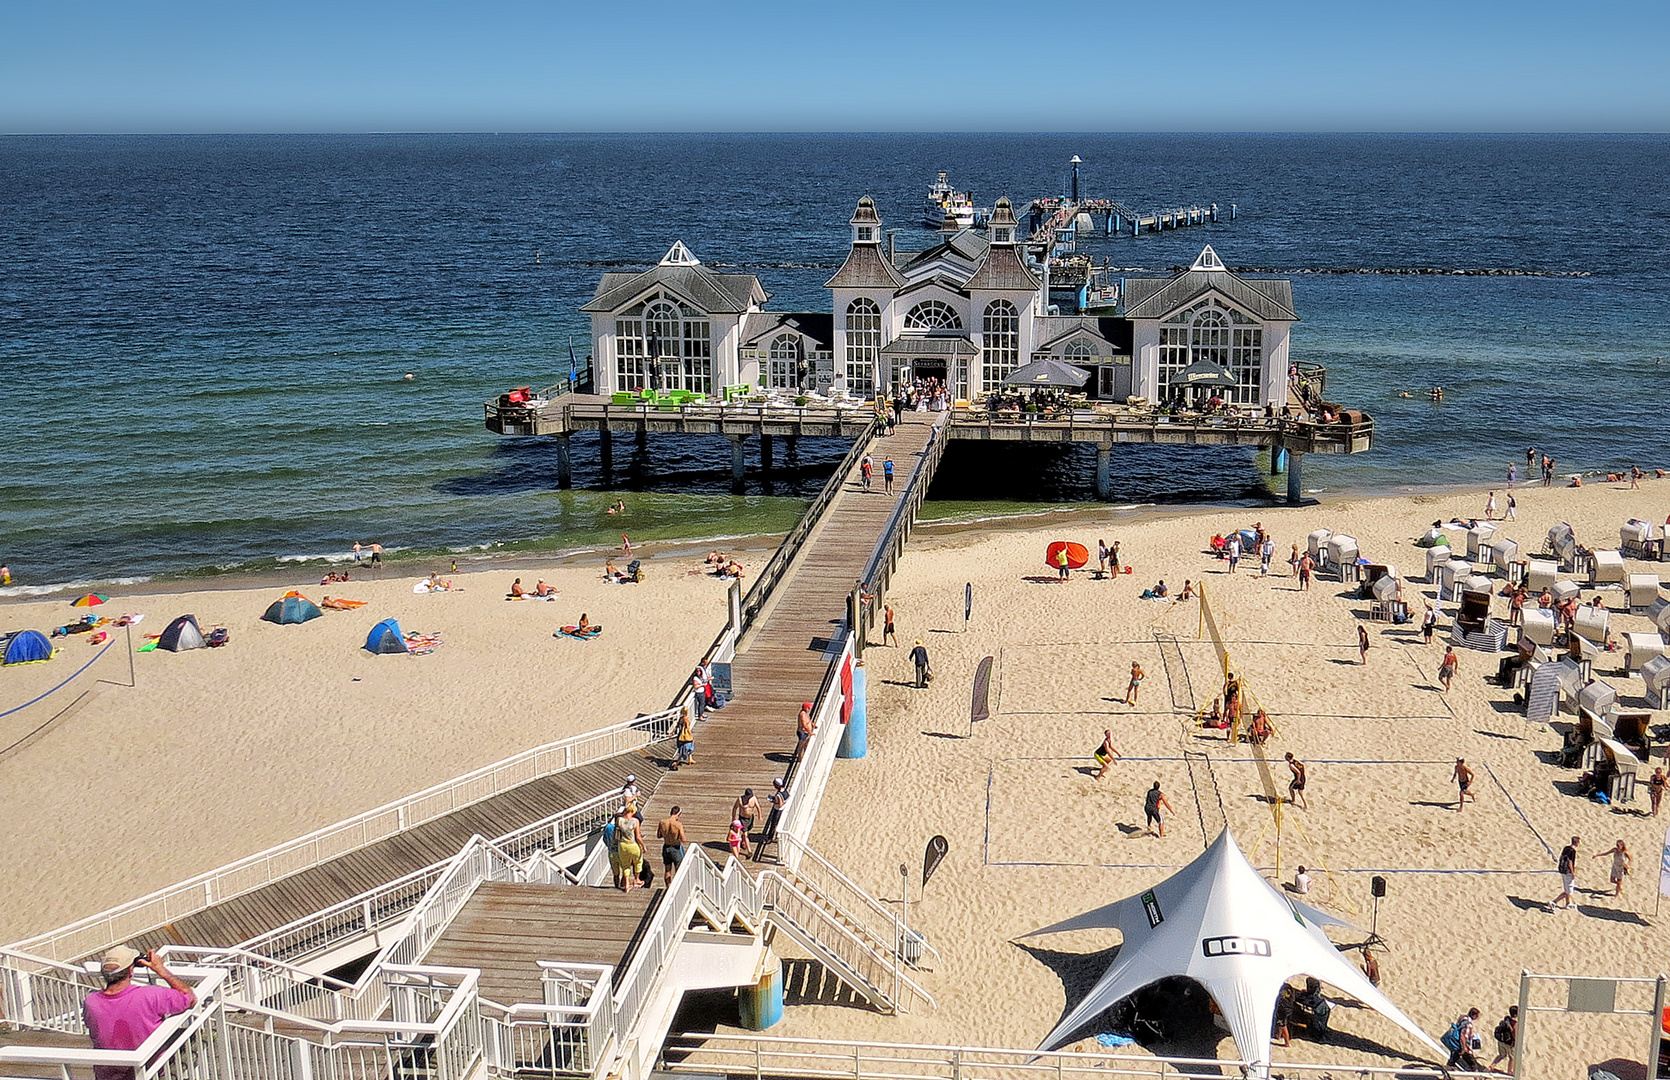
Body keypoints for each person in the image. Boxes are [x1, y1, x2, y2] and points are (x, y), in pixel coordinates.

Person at [83, 946, 197, 1080]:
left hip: (108, 1074)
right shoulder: (150, 995)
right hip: (149, 1071)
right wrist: (161, 970)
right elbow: (189, 998)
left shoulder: (90, 1001)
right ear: (131, 970)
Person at [612, 806, 644, 890]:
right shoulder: (635, 821)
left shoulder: (619, 820)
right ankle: (636, 879)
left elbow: (616, 832)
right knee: (638, 861)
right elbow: (638, 837)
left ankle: (626, 884)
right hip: (632, 844)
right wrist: (643, 846)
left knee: (625, 865)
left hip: (622, 845)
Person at [655, 806, 686, 885]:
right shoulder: (678, 824)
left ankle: (668, 887)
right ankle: (677, 886)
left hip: (666, 847)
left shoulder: (662, 822)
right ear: (678, 814)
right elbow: (683, 839)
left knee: (667, 870)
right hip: (676, 848)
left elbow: (659, 835)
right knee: (678, 870)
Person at [1550, 836, 1580, 910]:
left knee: (1567, 887)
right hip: (1568, 872)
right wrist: (1573, 873)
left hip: (1562, 870)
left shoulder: (1566, 848)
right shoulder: (1573, 851)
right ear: (1576, 843)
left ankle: (1568, 903)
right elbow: (1570, 862)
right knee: (1568, 891)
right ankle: (1554, 902)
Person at [1490, 1005, 1519, 1074]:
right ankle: (1510, 1071)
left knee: (1502, 1055)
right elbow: (1515, 1033)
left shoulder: (1506, 1019)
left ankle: (1492, 1065)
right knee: (1512, 1058)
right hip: (1510, 1043)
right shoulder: (1515, 1023)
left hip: (1502, 1040)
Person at [732, 789, 761, 856]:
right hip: (742, 818)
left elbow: (758, 807)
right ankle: (749, 851)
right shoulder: (740, 799)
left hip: (750, 818)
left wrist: (760, 815)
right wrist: (733, 818)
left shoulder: (753, 798)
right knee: (746, 834)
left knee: (747, 832)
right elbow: (735, 808)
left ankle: (743, 841)